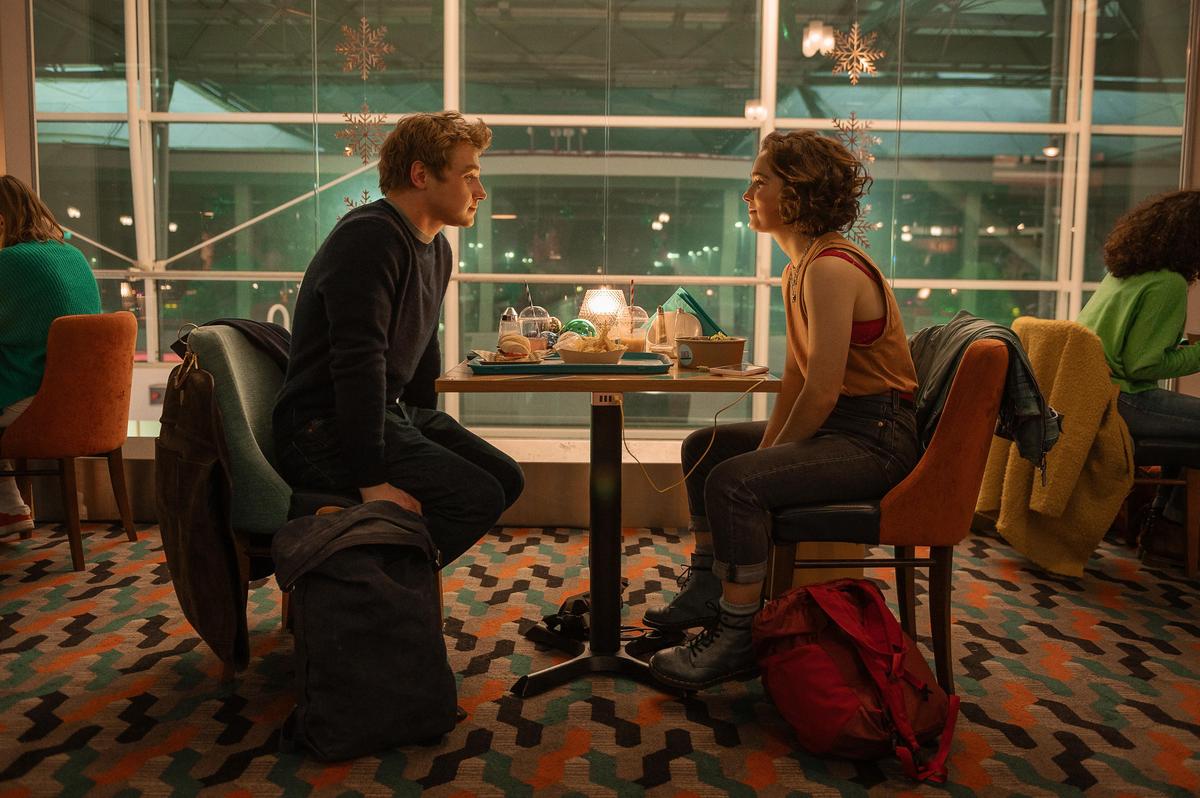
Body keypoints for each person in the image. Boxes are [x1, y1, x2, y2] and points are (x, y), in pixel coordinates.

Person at [645, 131, 921, 690]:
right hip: (848, 427)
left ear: (797, 192)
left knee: (735, 482)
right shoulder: (801, 267)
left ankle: (736, 635)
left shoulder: (831, 268)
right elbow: (796, 378)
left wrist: (765, 460)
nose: (747, 194)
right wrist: (767, 451)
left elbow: (821, 391)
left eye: (759, 182)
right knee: (706, 448)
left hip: (876, 437)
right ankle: (708, 586)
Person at [273, 111, 523, 567]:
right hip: (321, 429)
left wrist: (422, 434)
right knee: (477, 496)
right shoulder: (369, 238)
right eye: (469, 176)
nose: (480, 192)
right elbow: (358, 365)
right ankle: (377, 585)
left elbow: (422, 349)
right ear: (421, 175)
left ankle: (386, 567)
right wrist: (373, 482)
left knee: (506, 478)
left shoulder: (435, 246)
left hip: (380, 413)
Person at [1076, 190, 1200, 566]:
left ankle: (1165, 527)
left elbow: (1130, 348)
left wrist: (1181, 348)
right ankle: (1168, 527)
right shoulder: (1169, 284)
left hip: (1095, 393)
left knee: (1188, 432)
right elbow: (1142, 366)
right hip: (1125, 398)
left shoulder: (1125, 273)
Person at [0, 175, 101, 535]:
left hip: (39, 403)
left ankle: (9, 507)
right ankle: (9, 509)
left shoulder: (9, 262)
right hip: (91, 404)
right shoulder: (73, 255)